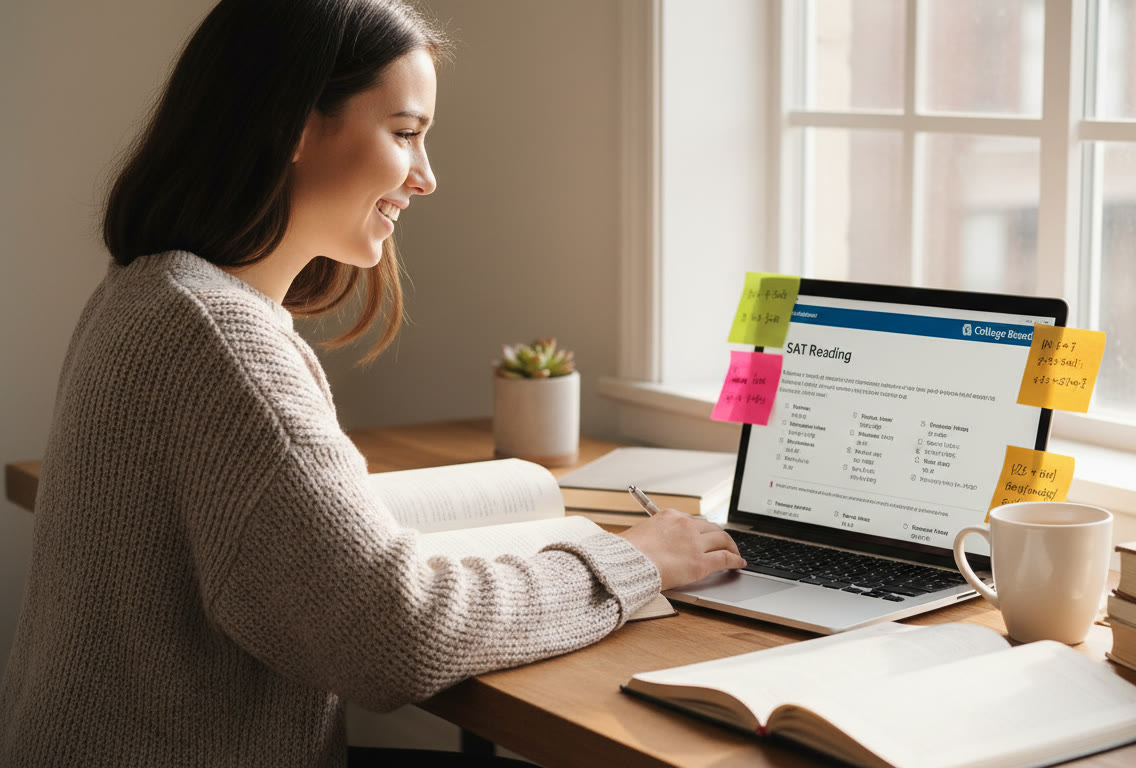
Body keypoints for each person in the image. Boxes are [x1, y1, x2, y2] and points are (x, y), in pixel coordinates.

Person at [0, 1, 745, 765]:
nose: (425, 178)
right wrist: (636, 562)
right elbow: (394, 638)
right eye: (404, 134)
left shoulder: (155, 290)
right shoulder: (220, 338)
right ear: (293, 124)